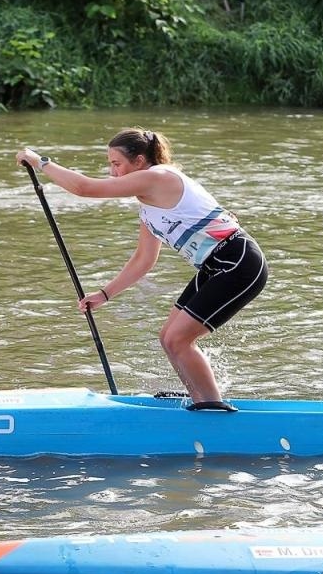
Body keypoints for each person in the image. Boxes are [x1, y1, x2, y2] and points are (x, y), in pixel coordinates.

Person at [17, 128, 267, 410]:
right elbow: (143, 260)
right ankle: (203, 402)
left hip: (239, 261)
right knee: (168, 338)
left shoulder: (159, 177)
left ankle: (211, 409)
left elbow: (84, 188)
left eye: (116, 164)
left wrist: (41, 162)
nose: (112, 172)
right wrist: (105, 294)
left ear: (138, 161)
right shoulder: (148, 210)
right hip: (215, 266)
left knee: (178, 339)